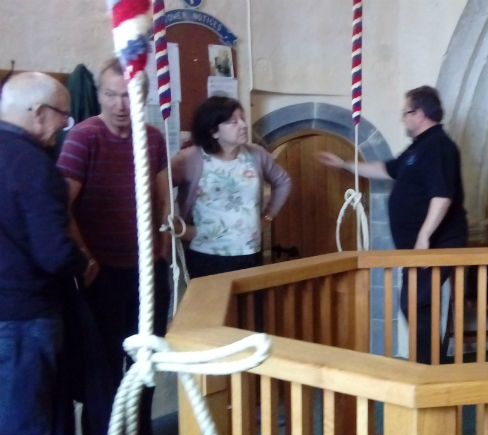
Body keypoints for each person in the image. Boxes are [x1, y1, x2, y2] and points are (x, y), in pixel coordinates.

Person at [57, 58, 175, 435]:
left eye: (129, 95)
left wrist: (163, 234)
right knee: (102, 374)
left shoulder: (153, 139)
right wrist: (86, 257)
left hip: (146, 272)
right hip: (103, 274)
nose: (120, 104)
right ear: (100, 95)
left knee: (145, 365)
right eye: (111, 94)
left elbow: (161, 194)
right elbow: (62, 204)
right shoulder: (82, 138)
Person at [315, 86, 468, 364]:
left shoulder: (439, 147)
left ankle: (429, 367)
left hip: (437, 243)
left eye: (405, 113)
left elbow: (442, 196)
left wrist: (424, 237)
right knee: (416, 304)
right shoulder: (418, 148)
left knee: (414, 302)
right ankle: (428, 365)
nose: (402, 119)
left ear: (419, 114)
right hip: (419, 246)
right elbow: (386, 169)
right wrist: (345, 164)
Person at [0, 72, 90, 435]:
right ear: (38, 113)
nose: (64, 126)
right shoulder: (33, 166)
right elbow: (54, 253)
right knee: (22, 432)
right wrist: (84, 262)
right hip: (22, 318)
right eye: (62, 114)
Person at [171, 96, 291, 277]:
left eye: (242, 119)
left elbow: (283, 182)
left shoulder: (256, 154)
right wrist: (178, 229)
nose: (243, 125)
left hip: (249, 252)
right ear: (214, 131)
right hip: (205, 254)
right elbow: (156, 190)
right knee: (211, 305)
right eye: (233, 122)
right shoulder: (189, 159)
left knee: (251, 305)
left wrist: (268, 216)